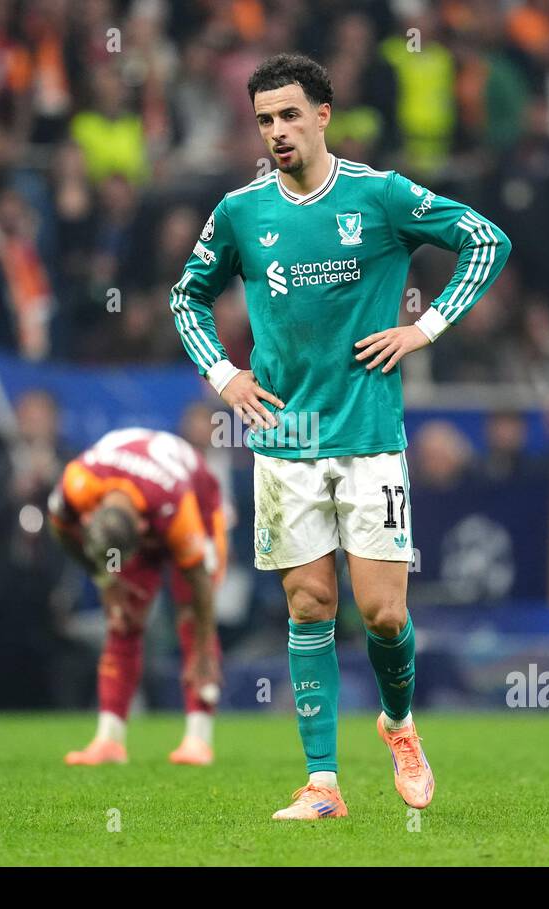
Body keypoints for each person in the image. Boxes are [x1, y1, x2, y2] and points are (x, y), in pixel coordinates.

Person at [169, 54, 511, 820]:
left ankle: (398, 723)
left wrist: (424, 328)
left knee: (383, 613)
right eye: (264, 120)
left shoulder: (380, 195)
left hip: (367, 433)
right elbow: (185, 297)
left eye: (290, 115)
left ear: (323, 114)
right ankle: (323, 784)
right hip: (284, 436)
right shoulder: (239, 212)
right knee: (308, 605)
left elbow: (486, 241)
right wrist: (223, 376)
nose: (277, 132)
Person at [48, 428, 227, 766]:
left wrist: (205, 649)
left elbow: (199, 579)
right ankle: (109, 740)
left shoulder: (174, 504)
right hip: (138, 494)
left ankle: (198, 739)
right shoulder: (79, 481)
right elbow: (59, 526)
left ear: (143, 533)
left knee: (192, 615)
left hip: (198, 501)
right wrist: (104, 578)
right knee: (123, 617)